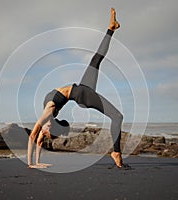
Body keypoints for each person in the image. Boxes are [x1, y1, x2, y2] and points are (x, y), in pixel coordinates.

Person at [28, 8, 124, 168]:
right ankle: (116, 152)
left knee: (95, 60)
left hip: (81, 91)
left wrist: (35, 162)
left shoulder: (47, 114)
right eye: (48, 132)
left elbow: (35, 137)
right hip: (81, 95)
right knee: (117, 117)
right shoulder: (49, 115)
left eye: (46, 132)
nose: (45, 132)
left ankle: (111, 28)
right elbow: (36, 137)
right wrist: (34, 163)